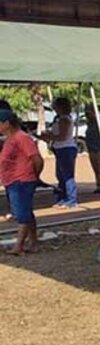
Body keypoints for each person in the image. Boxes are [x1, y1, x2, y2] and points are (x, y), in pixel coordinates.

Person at [0, 109, 44, 255]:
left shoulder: (21, 138)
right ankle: (33, 242)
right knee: (26, 212)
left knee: (21, 214)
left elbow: (37, 159)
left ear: (7, 123)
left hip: (21, 180)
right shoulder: (10, 139)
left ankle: (19, 245)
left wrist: (34, 176)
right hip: (12, 180)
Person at [38, 97, 79, 208]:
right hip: (60, 148)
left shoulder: (64, 119)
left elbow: (62, 136)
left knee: (67, 175)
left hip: (66, 148)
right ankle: (63, 197)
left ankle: (71, 199)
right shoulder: (59, 119)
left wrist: (49, 136)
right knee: (60, 174)